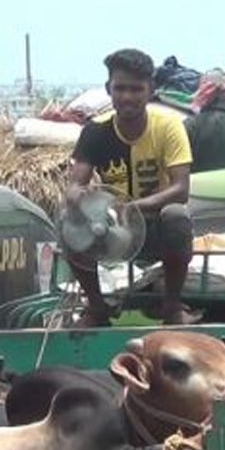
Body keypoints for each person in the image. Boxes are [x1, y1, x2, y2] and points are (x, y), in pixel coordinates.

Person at [65, 48, 197, 326]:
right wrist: (80, 197)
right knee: (69, 221)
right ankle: (97, 307)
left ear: (150, 91)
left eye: (136, 89)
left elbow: (180, 189)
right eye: (120, 88)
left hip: (155, 227)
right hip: (112, 230)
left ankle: (172, 306)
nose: (127, 97)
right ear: (109, 90)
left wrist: (133, 207)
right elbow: (75, 185)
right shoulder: (95, 131)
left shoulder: (170, 126)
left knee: (177, 215)